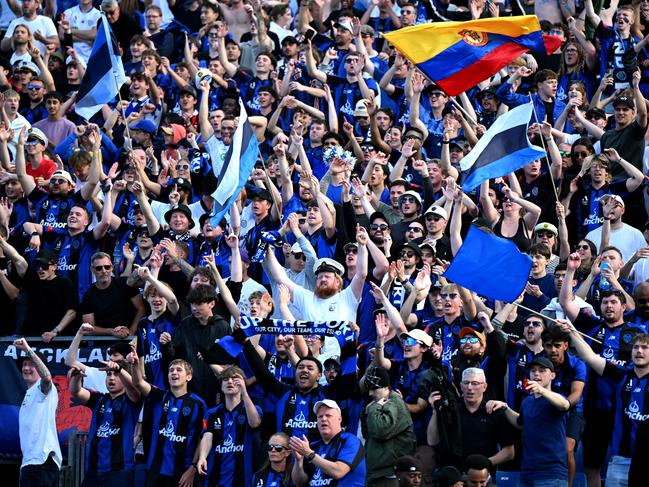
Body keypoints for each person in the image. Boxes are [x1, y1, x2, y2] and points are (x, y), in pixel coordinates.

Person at [557, 320, 649, 487]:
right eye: (636, 347)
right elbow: (590, 357)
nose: (639, 351)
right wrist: (571, 331)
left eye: (644, 348)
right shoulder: (621, 375)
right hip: (620, 459)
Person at [487, 357, 570, 487]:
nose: (536, 373)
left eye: (542, 370)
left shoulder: (556, 398)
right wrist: (505, 408)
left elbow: (565, 405)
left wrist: (542, 390)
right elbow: (520, 423)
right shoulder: (527, 402)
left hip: (551, 473)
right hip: (527, 473)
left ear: (552, 375)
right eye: (533, 370)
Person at [129, 353, 206, 487]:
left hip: (183, 473)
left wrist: (193, 469)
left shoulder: (198, 404)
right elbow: (138, 383)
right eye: (171, 370)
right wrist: (135, 365)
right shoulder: (159, 396)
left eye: (179, 370)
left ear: (189, 377)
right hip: (155, 470)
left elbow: (202, 438)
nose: (174, 372)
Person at [68, 358, 142, 487]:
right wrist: (76, 378)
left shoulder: (132, 400)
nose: (111, 378)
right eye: (108, 374)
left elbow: (133, 388)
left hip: (119, 471)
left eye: (116, 374)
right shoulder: (99, 399)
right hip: (93, 470)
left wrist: (120, 370)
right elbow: (76, 391)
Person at [428, 368, 515, 473]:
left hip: (483, 476)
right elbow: (432, 441)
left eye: (475, 383)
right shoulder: (451, 410)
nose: (470, 388)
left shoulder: (494, 412)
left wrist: (486, 463)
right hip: (454, 475)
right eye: (466, 383)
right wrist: (435, 411)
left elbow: (509, 452)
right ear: (461, 386)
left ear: (484, 387)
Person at [196, 365, 262, 487]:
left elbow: (255, 423)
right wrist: (202, 457)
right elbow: (207, 436)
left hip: (242, 478)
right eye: (225, 379)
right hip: (215, 478)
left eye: (235, 378)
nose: (230, 381)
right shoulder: (212, 413)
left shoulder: (252, 409)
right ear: (221, 386)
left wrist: (244, 393)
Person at [14, 337, 62, 487]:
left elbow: (47, 377)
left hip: (40, 462)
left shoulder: (42, 388)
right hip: (32, 463)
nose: (26, 368)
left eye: (32, 365)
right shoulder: (30, 392)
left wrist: (28, 349)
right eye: (25, 364)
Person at [289, 399, 366, 487]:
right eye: (320, 416)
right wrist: (298, 461)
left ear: (339, 419)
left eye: (328, 415)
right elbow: (299, 483)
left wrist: (309, 454)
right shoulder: (313, 446)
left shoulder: (351, 440)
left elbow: (338, 471)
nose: (323, 419)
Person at [361, 366, 416, 487]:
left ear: (386, 387)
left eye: (374, 388)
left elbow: (381, 430)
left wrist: (373, 409)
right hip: (378, 474)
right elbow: (368, 434)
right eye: (368, 389)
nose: (370, 393)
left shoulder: (393, 403)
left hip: (390, 475)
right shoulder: (380, 404)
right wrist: (368, 412)